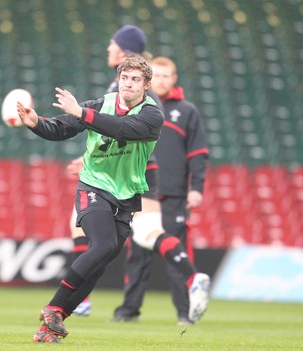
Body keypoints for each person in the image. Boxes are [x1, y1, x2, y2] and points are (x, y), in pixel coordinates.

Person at [17, 55, 164, 343]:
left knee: (103, 259)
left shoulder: (152, 115)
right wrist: (36, 123)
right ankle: (53, 307)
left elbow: (123, 129)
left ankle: (49, 328)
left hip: (127, 194)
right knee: (104, 245)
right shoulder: (99, 105)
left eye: (135, 80)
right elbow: (61, 128)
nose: (128, 84)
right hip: (93, 186)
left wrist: (80, 113)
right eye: (124, 78)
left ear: (146, 85)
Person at [67, 24, 163, 317]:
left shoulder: (132, 92)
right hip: (118, 171)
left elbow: (124, 129)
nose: (108, 49)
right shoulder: (121, 87)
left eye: (112, 45)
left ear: (122, 49)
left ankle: (123, 305)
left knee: (136, 240)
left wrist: (84, 119)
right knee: (106, 240)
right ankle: (90, 301)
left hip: (131, 174)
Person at [113, 56, 210, 325]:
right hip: (141, 191)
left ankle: (185, 313)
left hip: (173, 194)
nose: (162, 80)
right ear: (150, 80)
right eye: (158, 76)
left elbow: (198, 154)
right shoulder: (139, 108)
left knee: (175, 256)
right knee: (137, 256)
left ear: (174, 79)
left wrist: (196, 188)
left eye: (167, 76)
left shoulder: (187, 111)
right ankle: (128, 311)